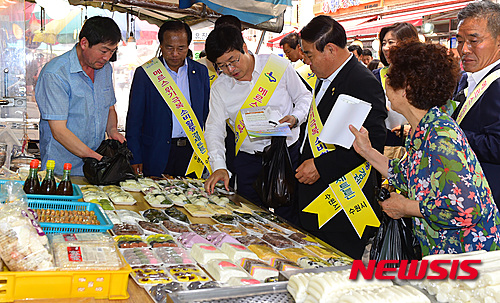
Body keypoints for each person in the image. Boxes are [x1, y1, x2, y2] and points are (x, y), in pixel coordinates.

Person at [350, 41, 500, 255]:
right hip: (447, 252)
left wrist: (405, 207)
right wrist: (366, 150)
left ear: (406, 88)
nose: (385, 84)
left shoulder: (440, 135)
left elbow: (465, 210)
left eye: (390, 79)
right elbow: (405, 176)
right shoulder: (423, 128)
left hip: (467, 256)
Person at [297, 15, 387, 259]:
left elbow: (373, 142)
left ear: (330, 49)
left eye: (309, 55)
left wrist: (320, 165)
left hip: (344, 198)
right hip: (316, 192)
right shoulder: (326, 77)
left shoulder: (361, 81)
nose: (306, 61)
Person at [203, 25, 312, 224]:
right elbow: (214, 128)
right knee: (248, 220)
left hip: (286, 155)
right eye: (222, 66)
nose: (230, 70)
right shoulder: (220, 87)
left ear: (244, 47)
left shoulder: (276, 66)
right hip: (249, 161)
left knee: (288, 221)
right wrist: (219, 166)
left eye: (232, 61)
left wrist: (296, 117)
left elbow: (304, 96)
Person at [35, 16, 124, 176]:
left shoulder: (105, 69)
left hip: (93, 167)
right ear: (84, 43)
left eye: (112, 51)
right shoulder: (56, 74)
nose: (107, 57)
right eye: (103, 51)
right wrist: (96, 157)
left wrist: (112, 130)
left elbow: (109, 107)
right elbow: (59, 131)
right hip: (60, 169)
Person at [126, 21, 210, 177]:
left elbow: (206, 113)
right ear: (161, 46)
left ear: (188, 46)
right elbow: (134, 120)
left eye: (181, 48)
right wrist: (134, 156)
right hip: (156, 153)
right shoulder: (146, 74)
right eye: (169, 48)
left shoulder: (200, 72)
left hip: (191, 153)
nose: (175, 54)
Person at [452, 1, 500, 208]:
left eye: (473, 40)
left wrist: (449, 135)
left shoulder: (497, 84)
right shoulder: (466, 78)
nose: (464, 49)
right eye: (459, 41)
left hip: (489, 202)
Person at [374, 22, 420, 159]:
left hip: (415, 145)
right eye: (384, 43)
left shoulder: (422, 75)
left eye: (391, 42)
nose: (386, 48)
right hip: (384, 147)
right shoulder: (376, 76)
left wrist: (412, 128)